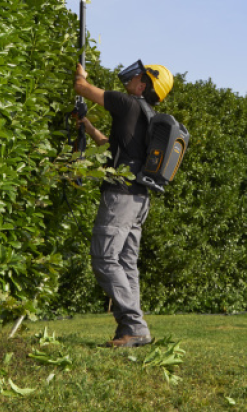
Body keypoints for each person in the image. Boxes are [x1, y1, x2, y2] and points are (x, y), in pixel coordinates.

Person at [73, 59, 173, 348]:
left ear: (143, 85)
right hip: (140, 198)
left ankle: (134, 325)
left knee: (104, 258)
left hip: (121, 196)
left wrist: (81, 75)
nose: (131, 77)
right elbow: (112, 146)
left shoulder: (127, 102)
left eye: (139, 76)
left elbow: (82, 87)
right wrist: (87, 125)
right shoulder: (146, 116)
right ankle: (129, 330)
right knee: (126, 263)